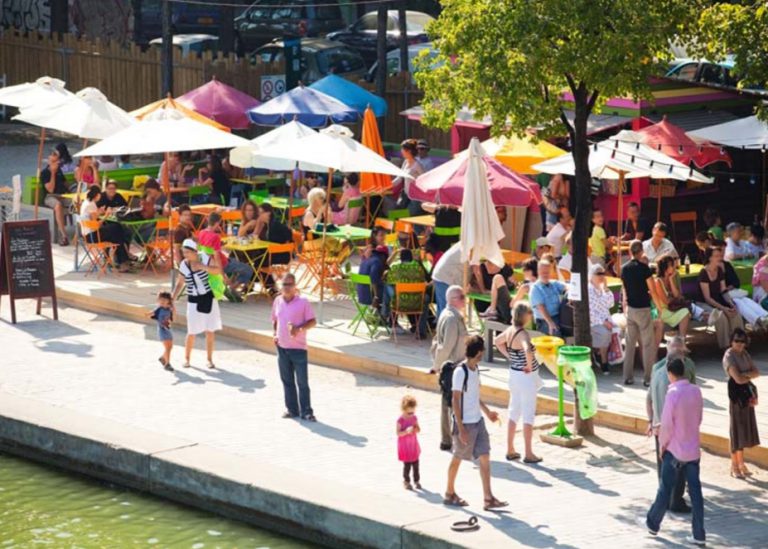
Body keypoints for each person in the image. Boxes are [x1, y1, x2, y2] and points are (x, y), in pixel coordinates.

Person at [642, 358, 705, 547]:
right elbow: (698, 417)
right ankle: (699, 534)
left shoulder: (673, 393)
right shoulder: (696, 390)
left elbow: (667, 424)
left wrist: (663, 445)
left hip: (674, 450)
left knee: (665, 488)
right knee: (696, 493)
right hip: (693, 449)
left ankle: (653, 523)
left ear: (670, 374)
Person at [444, 335, 507, 511]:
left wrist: (487, 413)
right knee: (458, 457)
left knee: (485, 456)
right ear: (479, 352)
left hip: (478, 422)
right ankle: (449, 492)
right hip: (465, 424)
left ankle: (488, 498)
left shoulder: (475, 369)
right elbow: (456, 400)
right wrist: (462, 428)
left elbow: (474, 396)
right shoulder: (460, 372)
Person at [646, 337, 696, 513]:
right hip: (673, 427)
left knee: (664, 465)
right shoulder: (668, 372)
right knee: (678, 464)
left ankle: (666, 498)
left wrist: (651, 421)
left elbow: (649, 399)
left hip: (661, 425)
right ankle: (675, 500)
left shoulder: (660, 369)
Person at [494, 302, 543, 463]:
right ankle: (528, 453)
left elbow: (497, 341)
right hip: (525, 377)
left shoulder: (509, 330)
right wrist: (529, 365)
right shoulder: (523, 334)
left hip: (514, 374)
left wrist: (509, 356)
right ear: (525, 316)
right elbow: (528, 349)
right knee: (528, 413)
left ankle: (510, 448)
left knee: (514, 411)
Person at [271, 273, 317, 421]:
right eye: (284, 284)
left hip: (298, 348)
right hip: (282, 347)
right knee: (287, 380)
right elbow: (275, 320)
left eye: (290, 284)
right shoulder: (278, 301)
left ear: (295, 286)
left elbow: (313, 321)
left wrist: (299, 329)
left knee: (302, 382)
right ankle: (292, 409)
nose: (287, 288)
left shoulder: (303, 302)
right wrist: (275, 334)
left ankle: (307, 411)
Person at [173, 239, 223, 369]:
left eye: (187, 252)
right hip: (193, 299)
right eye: (184, 253)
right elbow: (180, 283)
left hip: (208, 298)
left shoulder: (204, 258)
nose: (185, 255)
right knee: (191, 331)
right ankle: (187, 359)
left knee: (210, 331)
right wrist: (172, 299)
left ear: (195, 251)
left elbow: (217, 270)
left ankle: (209, 359)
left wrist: (203, 267)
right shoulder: (184, 265)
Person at [432, 285, 468, 450]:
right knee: (450, 405)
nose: (465, 299)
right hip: (452, 367)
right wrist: (437, 366)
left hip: (452, 366)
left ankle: (449, 439)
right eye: (462, 297)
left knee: (450, 404)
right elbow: (446, 346)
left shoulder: (450, 315)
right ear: (453, 300)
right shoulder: (452, 319)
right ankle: (449, 439)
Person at [723, 329, 761, 479]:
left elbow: (757, 372)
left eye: (742, 341)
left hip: (747, 394)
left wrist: (744, 375)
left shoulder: (745, 354)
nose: (739, 344)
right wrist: (747, 375)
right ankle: (735, 464)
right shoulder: (729, 356)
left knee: (745, 428)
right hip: (736, 396)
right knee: (736, 430)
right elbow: (737, 379)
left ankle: (741, 462)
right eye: (736, 340)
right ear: (731, 341)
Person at [621, 240, 659, 387]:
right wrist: (659, 307)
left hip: (631, 309)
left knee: (630, 343)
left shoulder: (624, 269)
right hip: (643, 309)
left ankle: (627, 376)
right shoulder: (644, 269)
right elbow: (653, 290)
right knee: (648, 344)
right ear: (641, 251)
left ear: (630, 251)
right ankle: (648, 378)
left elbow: (625, 289)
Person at [198, 212, 254, 302]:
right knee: (248, 269)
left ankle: (230, 285)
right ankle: (232, 287)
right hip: (223, 264)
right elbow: (217, 258)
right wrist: (222, 275)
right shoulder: (215, 236)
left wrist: (219, 244)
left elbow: (206, 250)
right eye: (219, 223)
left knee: (237, 261)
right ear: (217, 223)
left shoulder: (201, 233)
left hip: (207, 263)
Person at [696, 246, 744, 349]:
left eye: (720, 256)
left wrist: (731, 304)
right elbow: (707, 298)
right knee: (720, 316)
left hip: (717, 301)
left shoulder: (719, 270)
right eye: (716, 256)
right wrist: (723, 309)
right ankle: (726, 347)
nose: (719, 258)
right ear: (710, 258)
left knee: (735, 314)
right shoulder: (703, 273)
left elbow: (723, 290)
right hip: (704, 303)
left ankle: (738, 343)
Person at [79, 186, 132, 271]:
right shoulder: (91, 205)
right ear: (97, 195)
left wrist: (100, 211)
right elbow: (97, 225)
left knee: (116, 234)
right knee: (117, 228)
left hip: (88, 234)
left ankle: (119, 260)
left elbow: (93, 216)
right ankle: (123, 260)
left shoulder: (86, 203)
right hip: (92, 236)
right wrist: (106, 215)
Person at [383, 248, 429, 337]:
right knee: (426, 299)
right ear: (411, 258)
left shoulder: (396, 268)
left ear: (401, 258)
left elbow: (387, 279)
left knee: (387, 286)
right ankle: (421, 330)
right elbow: (423, 281)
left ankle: (385, 313)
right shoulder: (418, 269)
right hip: (417, 303)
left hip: (400, 303)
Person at [652, 254, 691, 339]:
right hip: (662, 311)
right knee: (685, 311)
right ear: (665, 267)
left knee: (685, 312)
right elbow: (666, 301)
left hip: (671, 309)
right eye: (672, 265)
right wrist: (674, 299)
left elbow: (677, 295)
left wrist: (671, 280)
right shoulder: (658, 281)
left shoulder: (672, 278)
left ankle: (682, 341)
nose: (674, 267)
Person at [40, 149, 72, 246]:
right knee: (58, 206)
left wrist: (73, 191)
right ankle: (64, 235)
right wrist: (53, 173)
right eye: (54, 161)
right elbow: (50, 189)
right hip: (50, 197)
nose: (57, 163)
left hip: (62, 196)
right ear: (49, 161)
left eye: (57, 160)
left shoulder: (59, 171)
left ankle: (84, 231)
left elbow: (65, 183)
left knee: (78, 202)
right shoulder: (45, 173)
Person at [588, 264, 615, 375]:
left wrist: (606, 287)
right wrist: (603, 322)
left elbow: (610, 304)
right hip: (593, 321)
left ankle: (599, 353)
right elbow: (590, 312)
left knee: (620, 330)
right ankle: (604, 360)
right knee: (605, 332)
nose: (601, 276)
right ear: (592, 275)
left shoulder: (602, 289)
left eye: (603, 273)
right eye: (598, 274)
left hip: (606, 319)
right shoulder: (588, 290)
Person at [529, 260, 566, 336]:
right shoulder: (535, 288)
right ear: (538, 272)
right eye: (543, 272)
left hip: (558, 316)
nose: (545, 274)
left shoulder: (554, 284)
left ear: (551, 272)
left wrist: (569, 293)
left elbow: (567, 287)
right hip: (544, 320)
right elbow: (541, 308)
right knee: (556, 332)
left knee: (572, 328)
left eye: (547, 272)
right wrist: (551, 323)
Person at [474, 259, 515, 324]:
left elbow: (513, 283)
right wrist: (484, 291)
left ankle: (493, 313)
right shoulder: (480, 268)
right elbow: (473, 286)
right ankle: (492, 312)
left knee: (501, 315)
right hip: (484, 302)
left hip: (500, 303)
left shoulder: (504, 266)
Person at [392, 138, 426, 215]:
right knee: (394, 214)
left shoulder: (417, 165)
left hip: (415, 197)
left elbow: (425, 180)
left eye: (403, 149)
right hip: (405, 195)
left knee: (406, 215)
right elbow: (399, 178)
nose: (401, 151)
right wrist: (388, 185)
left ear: (409, 151)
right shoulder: (405, 162)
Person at [431, 242, 464, 319]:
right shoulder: (468, 247)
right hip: (445, 278)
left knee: (443, 311)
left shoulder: (462, 245)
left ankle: (441, 329)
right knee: (447, 311)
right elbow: (476, 270)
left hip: (442, 276)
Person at [397, 394, 422, 490]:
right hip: (405, 446)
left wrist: (415, 429)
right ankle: (406, 481)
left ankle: (417, 481)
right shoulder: (400, 420)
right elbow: (398, 433)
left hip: (413, 445)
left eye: (413, 412)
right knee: (407, 465)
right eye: (409, 413)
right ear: (403, 410)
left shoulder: (414, 418)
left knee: (416, 464)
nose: (411, 415)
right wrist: (406, 431)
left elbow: (418, 429)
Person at [357, 243, 389, 317]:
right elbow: (373, 279)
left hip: (361, 295)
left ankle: (380, 316)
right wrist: (376, 297)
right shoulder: (377, 262)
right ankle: (387, 319)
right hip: (369, 297)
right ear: (383, 256)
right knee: (392, 294)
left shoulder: (365, 260)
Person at [149, 291, 175, 372]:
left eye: (164, 299)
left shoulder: (169, 309)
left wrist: (173, 311)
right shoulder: (159, 309)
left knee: (170, 347)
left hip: (168, 329)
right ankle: (167, 364)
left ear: (168, 301)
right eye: (160, 299)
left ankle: (163, 358)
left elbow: (172, 319)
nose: (162, 301)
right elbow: (151, 314)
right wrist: (148, 314)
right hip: (162, 330)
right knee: (168, 347)